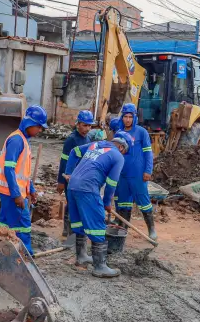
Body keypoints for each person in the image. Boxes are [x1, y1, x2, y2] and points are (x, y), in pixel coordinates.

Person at [63, 131, 131, 278]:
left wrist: (68, 174)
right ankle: (100, 266)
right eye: (125, 151)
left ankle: (81, 256)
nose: (124, 154)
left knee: (79, 223)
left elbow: (74, 152)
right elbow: (112, 184)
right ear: (121, 147)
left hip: (72, 185)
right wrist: (106, 203)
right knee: (98, 225)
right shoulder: (117, 156)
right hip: (88, 188)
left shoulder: (95, 144)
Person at [0, 105, 49, 254]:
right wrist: (16, 194)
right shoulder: (17, 140)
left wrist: (31, 190)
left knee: (5, 221)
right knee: (23, 222)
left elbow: (23, 172)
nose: (40, 130)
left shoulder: (23, 139)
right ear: (29, 123)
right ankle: (24, 252)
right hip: (11, 191)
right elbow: (8, 169)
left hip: (12, 189)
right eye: (38, 127)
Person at [114, 103, 157, 240]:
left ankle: (151, 230)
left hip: (138, 174)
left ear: (134, 118)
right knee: (123, 203)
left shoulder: (141, 132)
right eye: (125, 116)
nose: (127, 119)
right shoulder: (118, 132)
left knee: (143, 201)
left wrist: (148, 170)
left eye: (130, 117)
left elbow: (148, 153)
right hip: (122, 175)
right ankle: (122, 231)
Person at [57, 110, 94, 246]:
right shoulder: (71, 140)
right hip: (69, 178)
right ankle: (69, 232)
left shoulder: (88, 139)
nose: (87, 128)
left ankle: (69, 230)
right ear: (78, 124)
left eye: (90, 126)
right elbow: (64, 161)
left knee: (73, 203)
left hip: (81, 178)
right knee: (72, 203)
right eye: (85, 125)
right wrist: (61, 181)